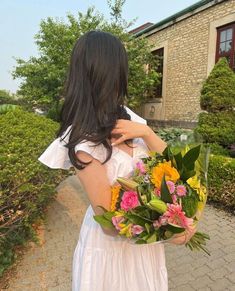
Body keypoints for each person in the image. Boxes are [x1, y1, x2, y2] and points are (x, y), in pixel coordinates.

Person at [38, 30, 196, 291]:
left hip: (144, 252)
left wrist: (147, 132)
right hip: (110, 254)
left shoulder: (132, 120)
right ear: (105, 72)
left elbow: (176, 168)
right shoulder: (83, 143)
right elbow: (110, 223)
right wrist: (169, 229)